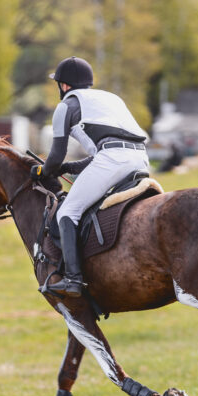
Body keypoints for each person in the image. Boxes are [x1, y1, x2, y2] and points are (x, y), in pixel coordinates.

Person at [31, 56, 150, 298]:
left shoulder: (66, 106)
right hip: (140, 158)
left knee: (67, 211)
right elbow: (104, 153)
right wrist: (69, 168)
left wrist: (44, 171)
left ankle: (73, 280)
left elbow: (55, 156)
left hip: (113, 160)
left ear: (63, 85)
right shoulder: (110, 99)